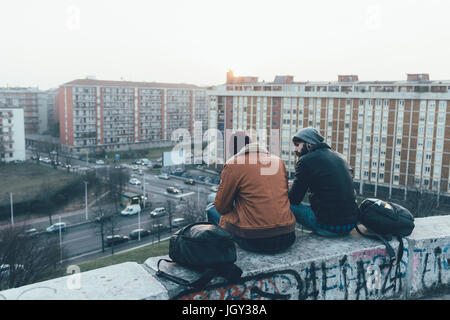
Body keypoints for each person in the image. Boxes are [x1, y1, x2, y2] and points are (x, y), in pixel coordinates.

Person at [206, 131, 296, 253]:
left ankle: (220, 254)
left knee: (211, 209)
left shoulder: (234, 164)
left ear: (233, 149)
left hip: (255, 240)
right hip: (288, 235)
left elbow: (221, 207)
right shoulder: (278, 161)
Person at [288, 127, 358, 237]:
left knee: (283, 203)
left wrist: (290, 188)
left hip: (327, 227)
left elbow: (294, 199)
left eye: (297, 144)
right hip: (350, 225)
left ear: (309, 144)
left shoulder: (305, 160)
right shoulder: (340, 157)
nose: (295, 150)